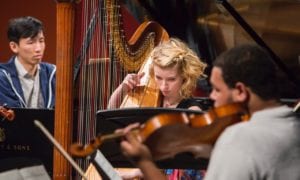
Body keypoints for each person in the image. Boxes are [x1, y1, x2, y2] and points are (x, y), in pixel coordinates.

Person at [119, 44, 300, 180]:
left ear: (241, 92)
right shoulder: (294, 125)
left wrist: (144, 162)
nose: (211, 97)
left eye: (217, 90)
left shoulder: (238, 139)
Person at [108, 37, 207, 179]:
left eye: (171, 79)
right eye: (159, 78)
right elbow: (111, 115)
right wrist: (122, 89)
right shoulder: (148, 94)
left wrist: (134, 173)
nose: (164, 86)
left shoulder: (192, 113)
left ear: (185, 77)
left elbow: (177, 166)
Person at [0, 16, 56, 108]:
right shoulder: (3, 78)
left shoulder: (52, 73)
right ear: (14, 46)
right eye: (31, 42)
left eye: (41, 41)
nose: (38, 48)